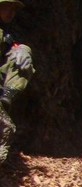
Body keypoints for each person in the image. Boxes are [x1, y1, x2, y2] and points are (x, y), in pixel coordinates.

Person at [0, 0, 32, 164]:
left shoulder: (7, 34)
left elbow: (12, 47)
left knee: (24, 52)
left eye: (14, 9)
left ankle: (5, 98)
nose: (11, 13)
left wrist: (20, 50)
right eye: (8, 8)